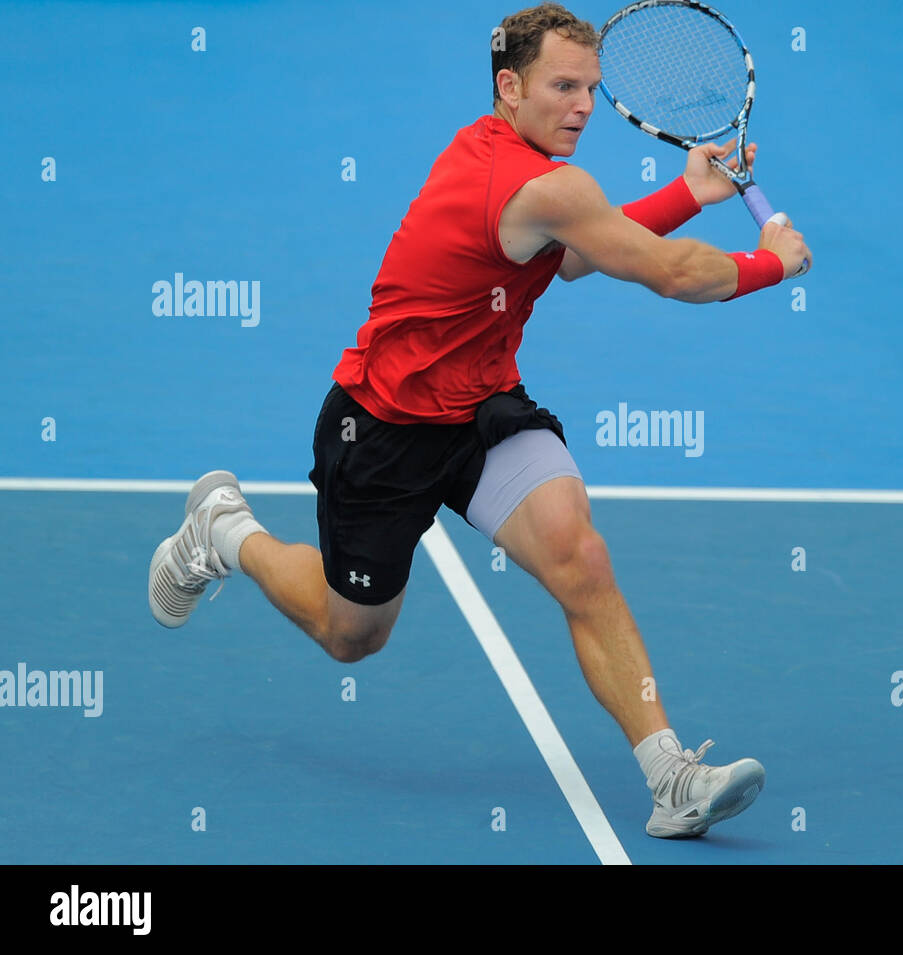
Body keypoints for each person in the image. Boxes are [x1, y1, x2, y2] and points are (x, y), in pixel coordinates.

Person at [148, 2, 811, 839]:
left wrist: (688, 192)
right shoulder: (543, 183)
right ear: (511, 87)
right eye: (563, 86)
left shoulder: (509, 159)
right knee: (352, 635)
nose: (581, 105)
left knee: (581, 558)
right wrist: (770, 263)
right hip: (382, 427)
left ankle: (670, 774)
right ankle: (225, 531)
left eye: (591, 88)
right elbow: (674, 275)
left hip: (483, 405)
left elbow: (571, 256)